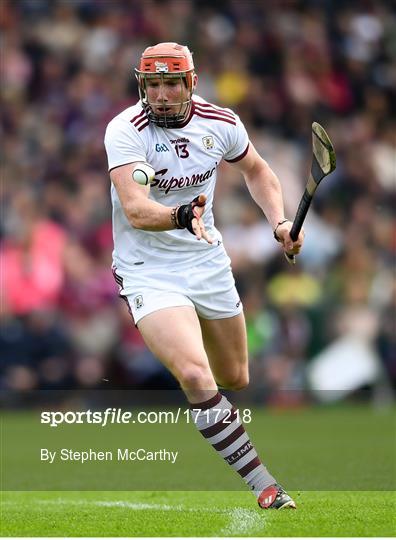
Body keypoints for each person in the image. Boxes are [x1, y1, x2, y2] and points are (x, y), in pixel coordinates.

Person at [104, 42, 304, 509]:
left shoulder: (222, 123)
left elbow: (258, 171)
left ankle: (212, 410)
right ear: (142, 85)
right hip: (147, 269)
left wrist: (278, 222)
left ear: (191, 82)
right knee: (196, 375)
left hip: (204, 260)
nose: (162, 94)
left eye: (172, 83)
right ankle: (266, 486)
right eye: (152, 84)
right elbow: (135, 210)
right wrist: (178, 217)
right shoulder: (124, 130)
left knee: (233, 376)